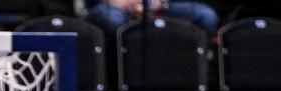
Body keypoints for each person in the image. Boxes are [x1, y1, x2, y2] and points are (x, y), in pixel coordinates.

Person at [85, 0, 219, 36]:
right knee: (112, 20)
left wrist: (156, 4)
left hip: (154, 7)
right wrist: (124, 4)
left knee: (205, 16)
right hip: (112, 6)